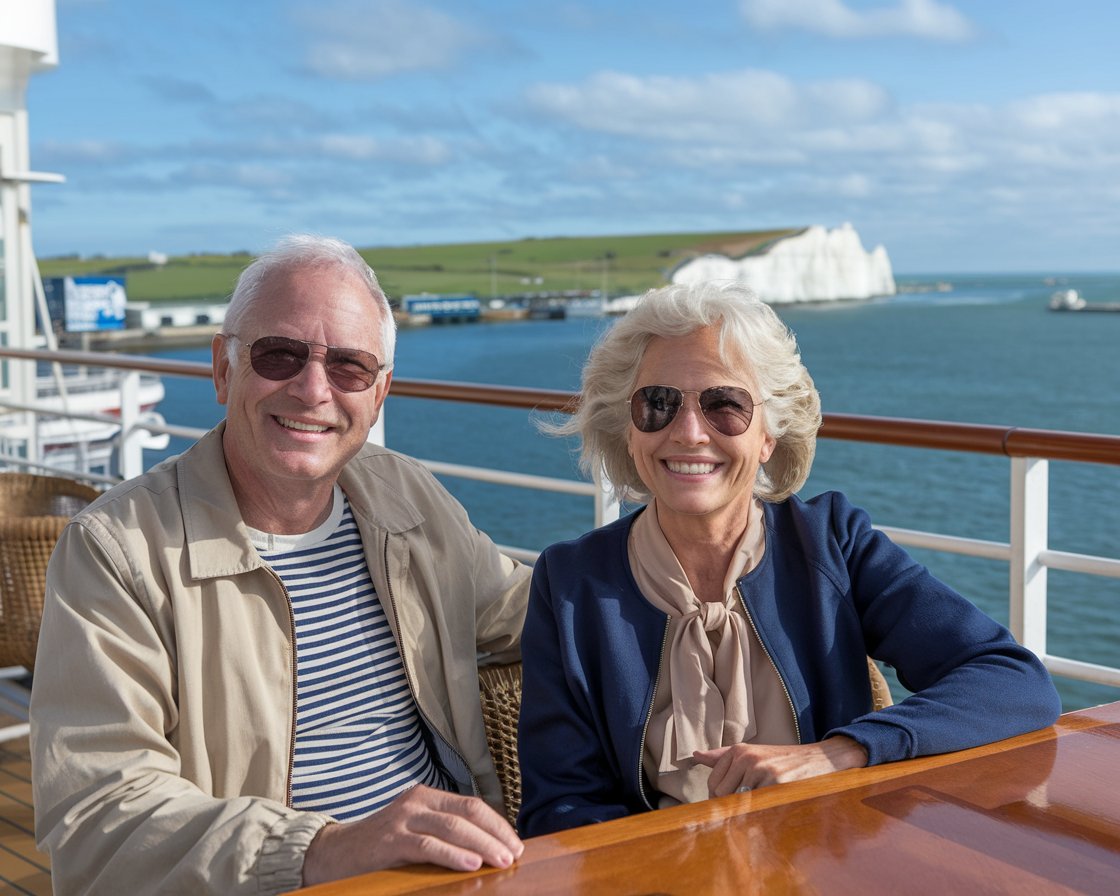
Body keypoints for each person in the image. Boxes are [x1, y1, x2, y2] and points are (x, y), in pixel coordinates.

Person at [30, 235, 531, 894]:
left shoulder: (404, 498)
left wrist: (694, 572)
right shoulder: (119, 550)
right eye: (278, 355)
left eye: (350, 367)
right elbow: (98, 818)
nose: (312, 389)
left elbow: (533, 608)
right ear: (222, 369)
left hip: (454, 870)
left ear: (378, 396)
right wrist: (322, 849)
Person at [516, 281, 1062, 837]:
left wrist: (841, 752)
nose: (688, 433)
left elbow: (1013, 681)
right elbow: (558, 806)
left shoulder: (831, 544)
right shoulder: (570, 584)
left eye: (725, 405)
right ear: (629, 430)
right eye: (657, 403)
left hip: (823, 862)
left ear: (769, 436)